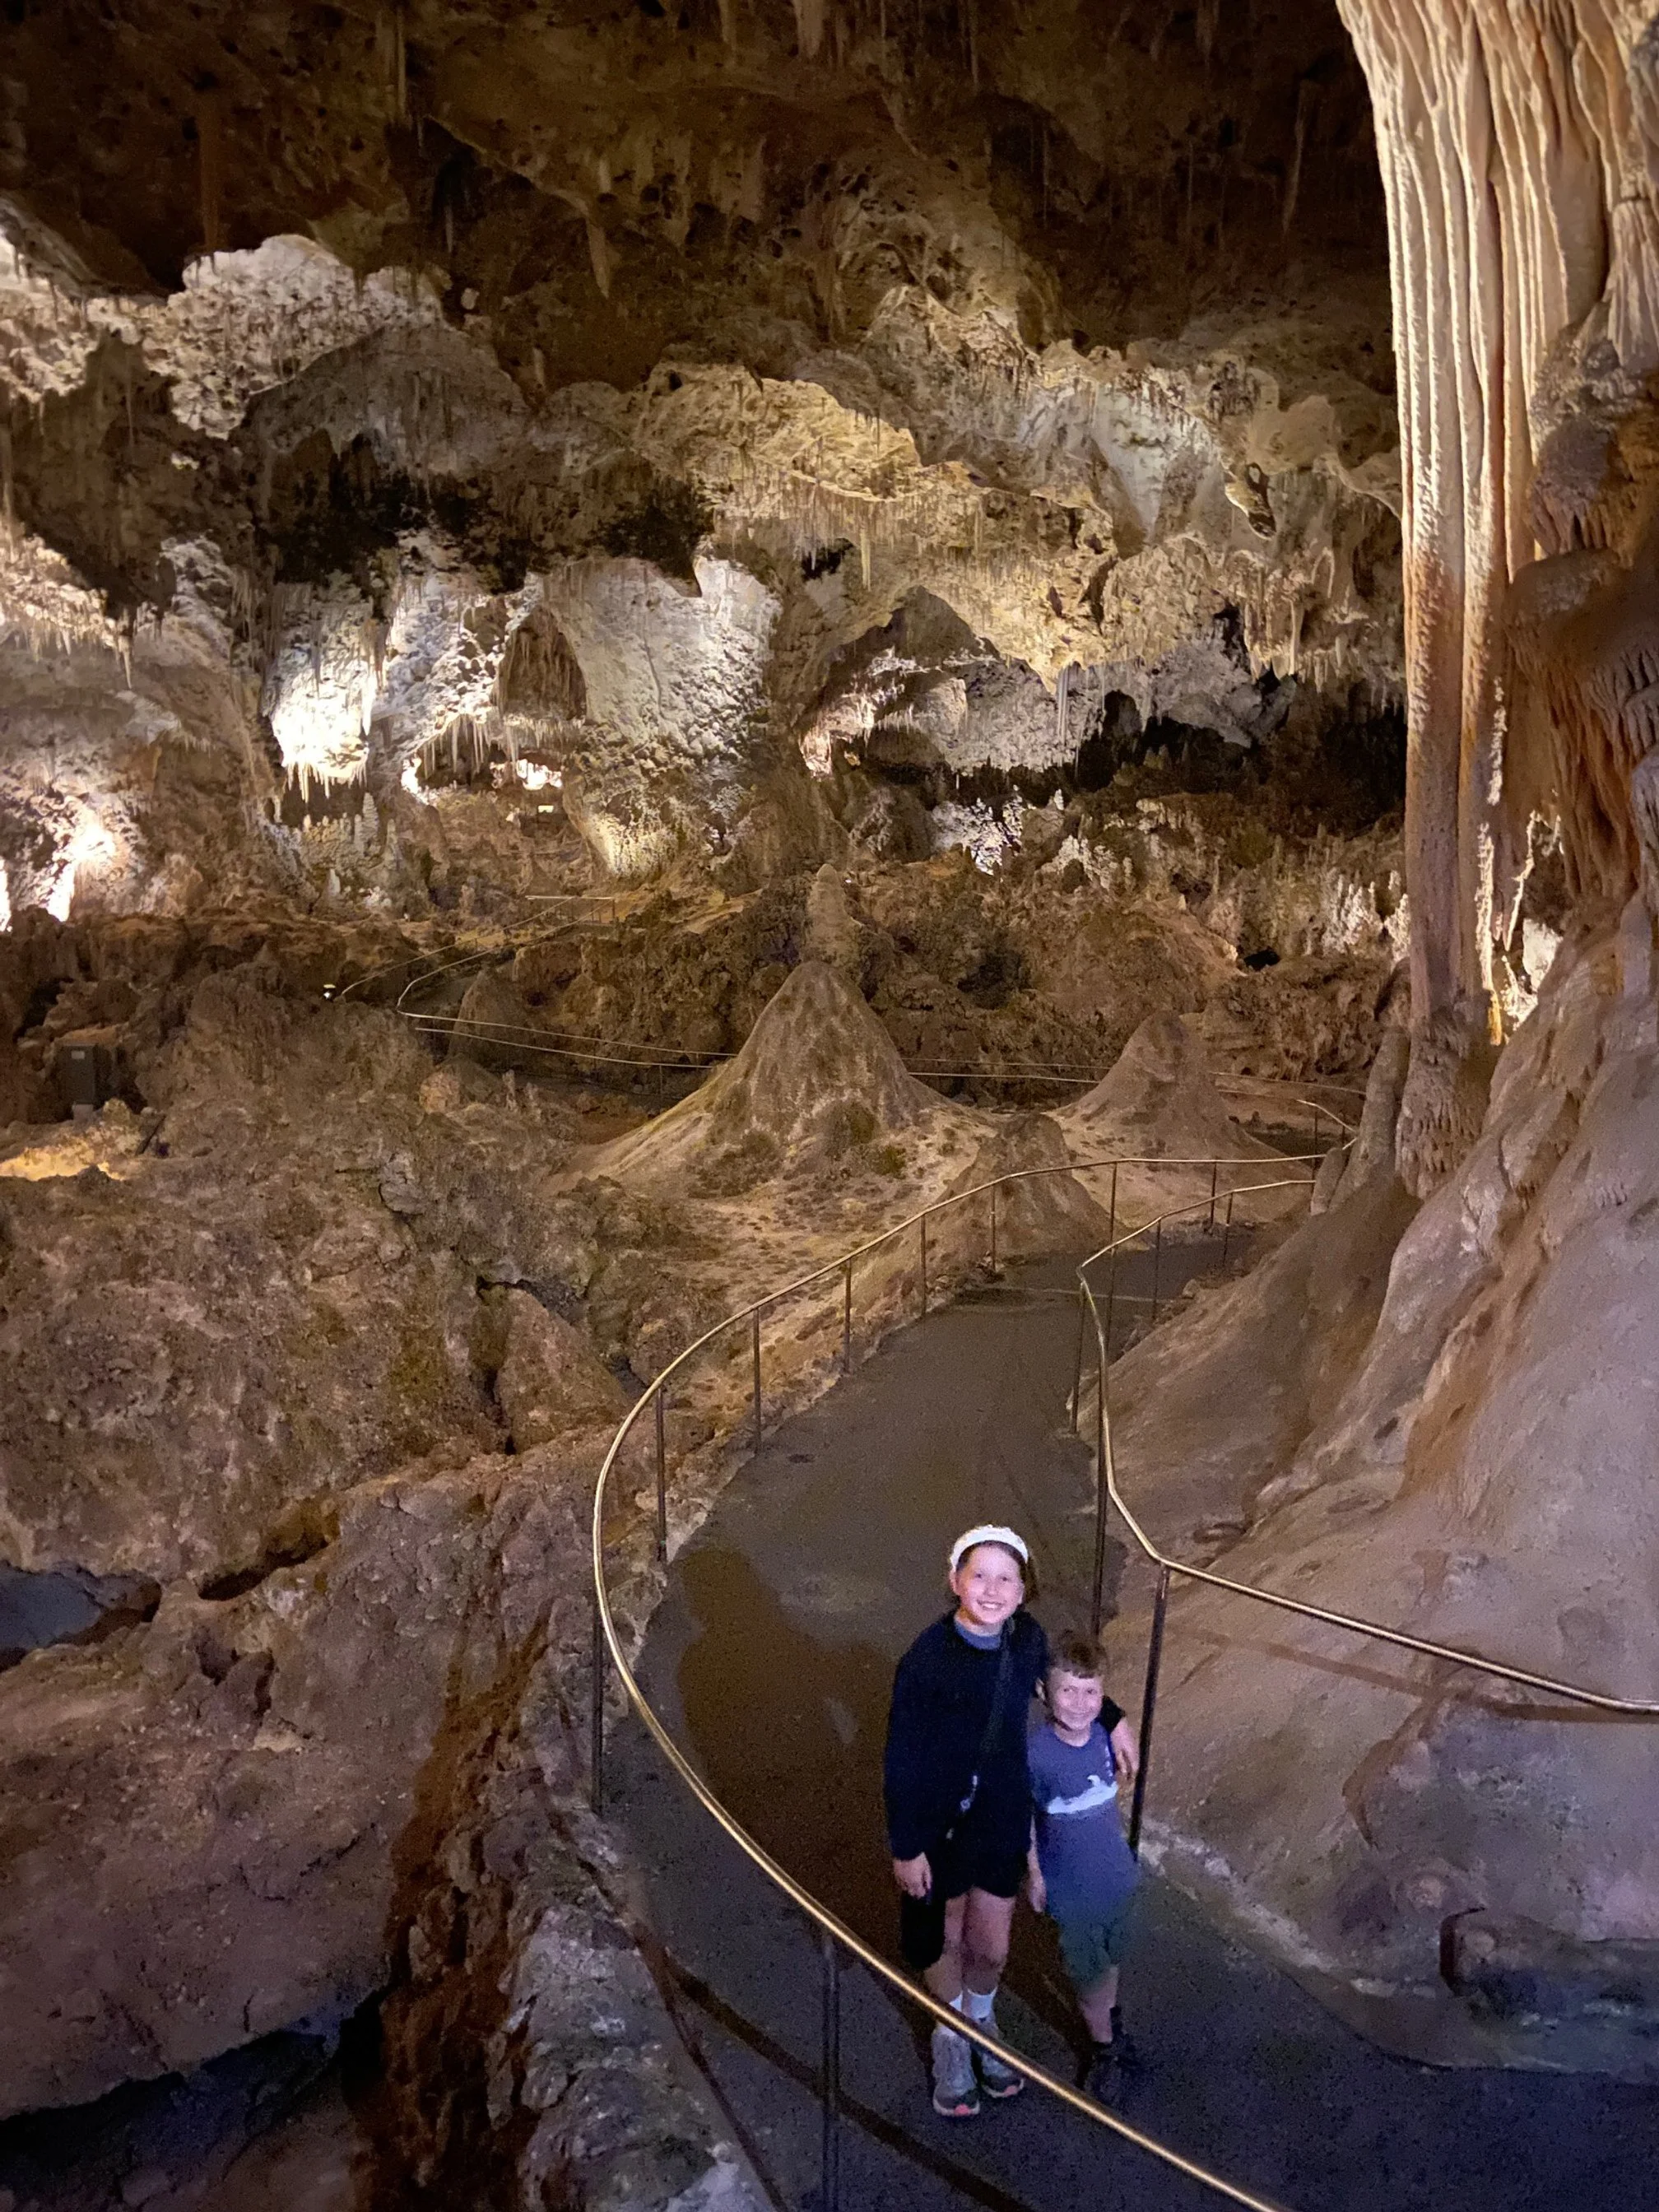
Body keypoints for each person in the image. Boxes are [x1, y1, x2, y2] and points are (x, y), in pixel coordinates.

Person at [883, 1524, 1048, 2119]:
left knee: (992, 1946)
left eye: (1007, 1577)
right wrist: (906, 1846)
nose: (992, 1588)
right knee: (943, 1935)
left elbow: (1056, 1685)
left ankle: (981, 2018)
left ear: (1024, 1590)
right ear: (955, 1581)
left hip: (999, 1813)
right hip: (937, 1823)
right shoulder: (927, 1659)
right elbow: (901, 1756)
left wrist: (1110, 1715)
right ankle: (952, 2035)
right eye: (979, 1574)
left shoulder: (1026, 1639)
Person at [1025, 1628, 1142, 2098]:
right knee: (1089, 1974)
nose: (1079, 1703)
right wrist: (1034, 1873)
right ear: (1044, 1693)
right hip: (1071, 1890)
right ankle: (1103, 2046)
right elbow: (1024, 1819)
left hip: (1114, 1876)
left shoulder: (1102, 1738)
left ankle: (1108, 2020)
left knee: (1110, 1960)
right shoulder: (1036, 1755)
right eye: (1067, 1691)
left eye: (1090, 1691)